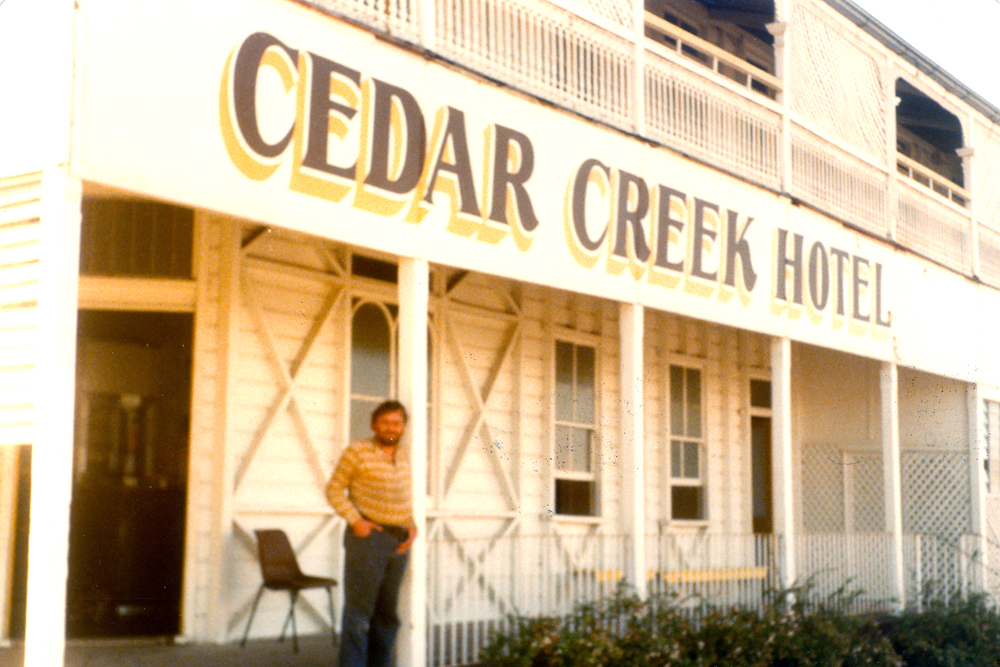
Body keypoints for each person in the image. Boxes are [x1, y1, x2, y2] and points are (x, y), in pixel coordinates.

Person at [327, 400, 417, 667]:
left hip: (399, 543)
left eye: (397, 423)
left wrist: (411, 528)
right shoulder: (357, 451)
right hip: (368, 540)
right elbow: (334, 489)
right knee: (359, 613)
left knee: (387, 614)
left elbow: (402, 498)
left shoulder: (403, 455)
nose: (392, 427)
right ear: (374, 425)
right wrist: (356, 520)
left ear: (403, 427)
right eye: (386, 422)